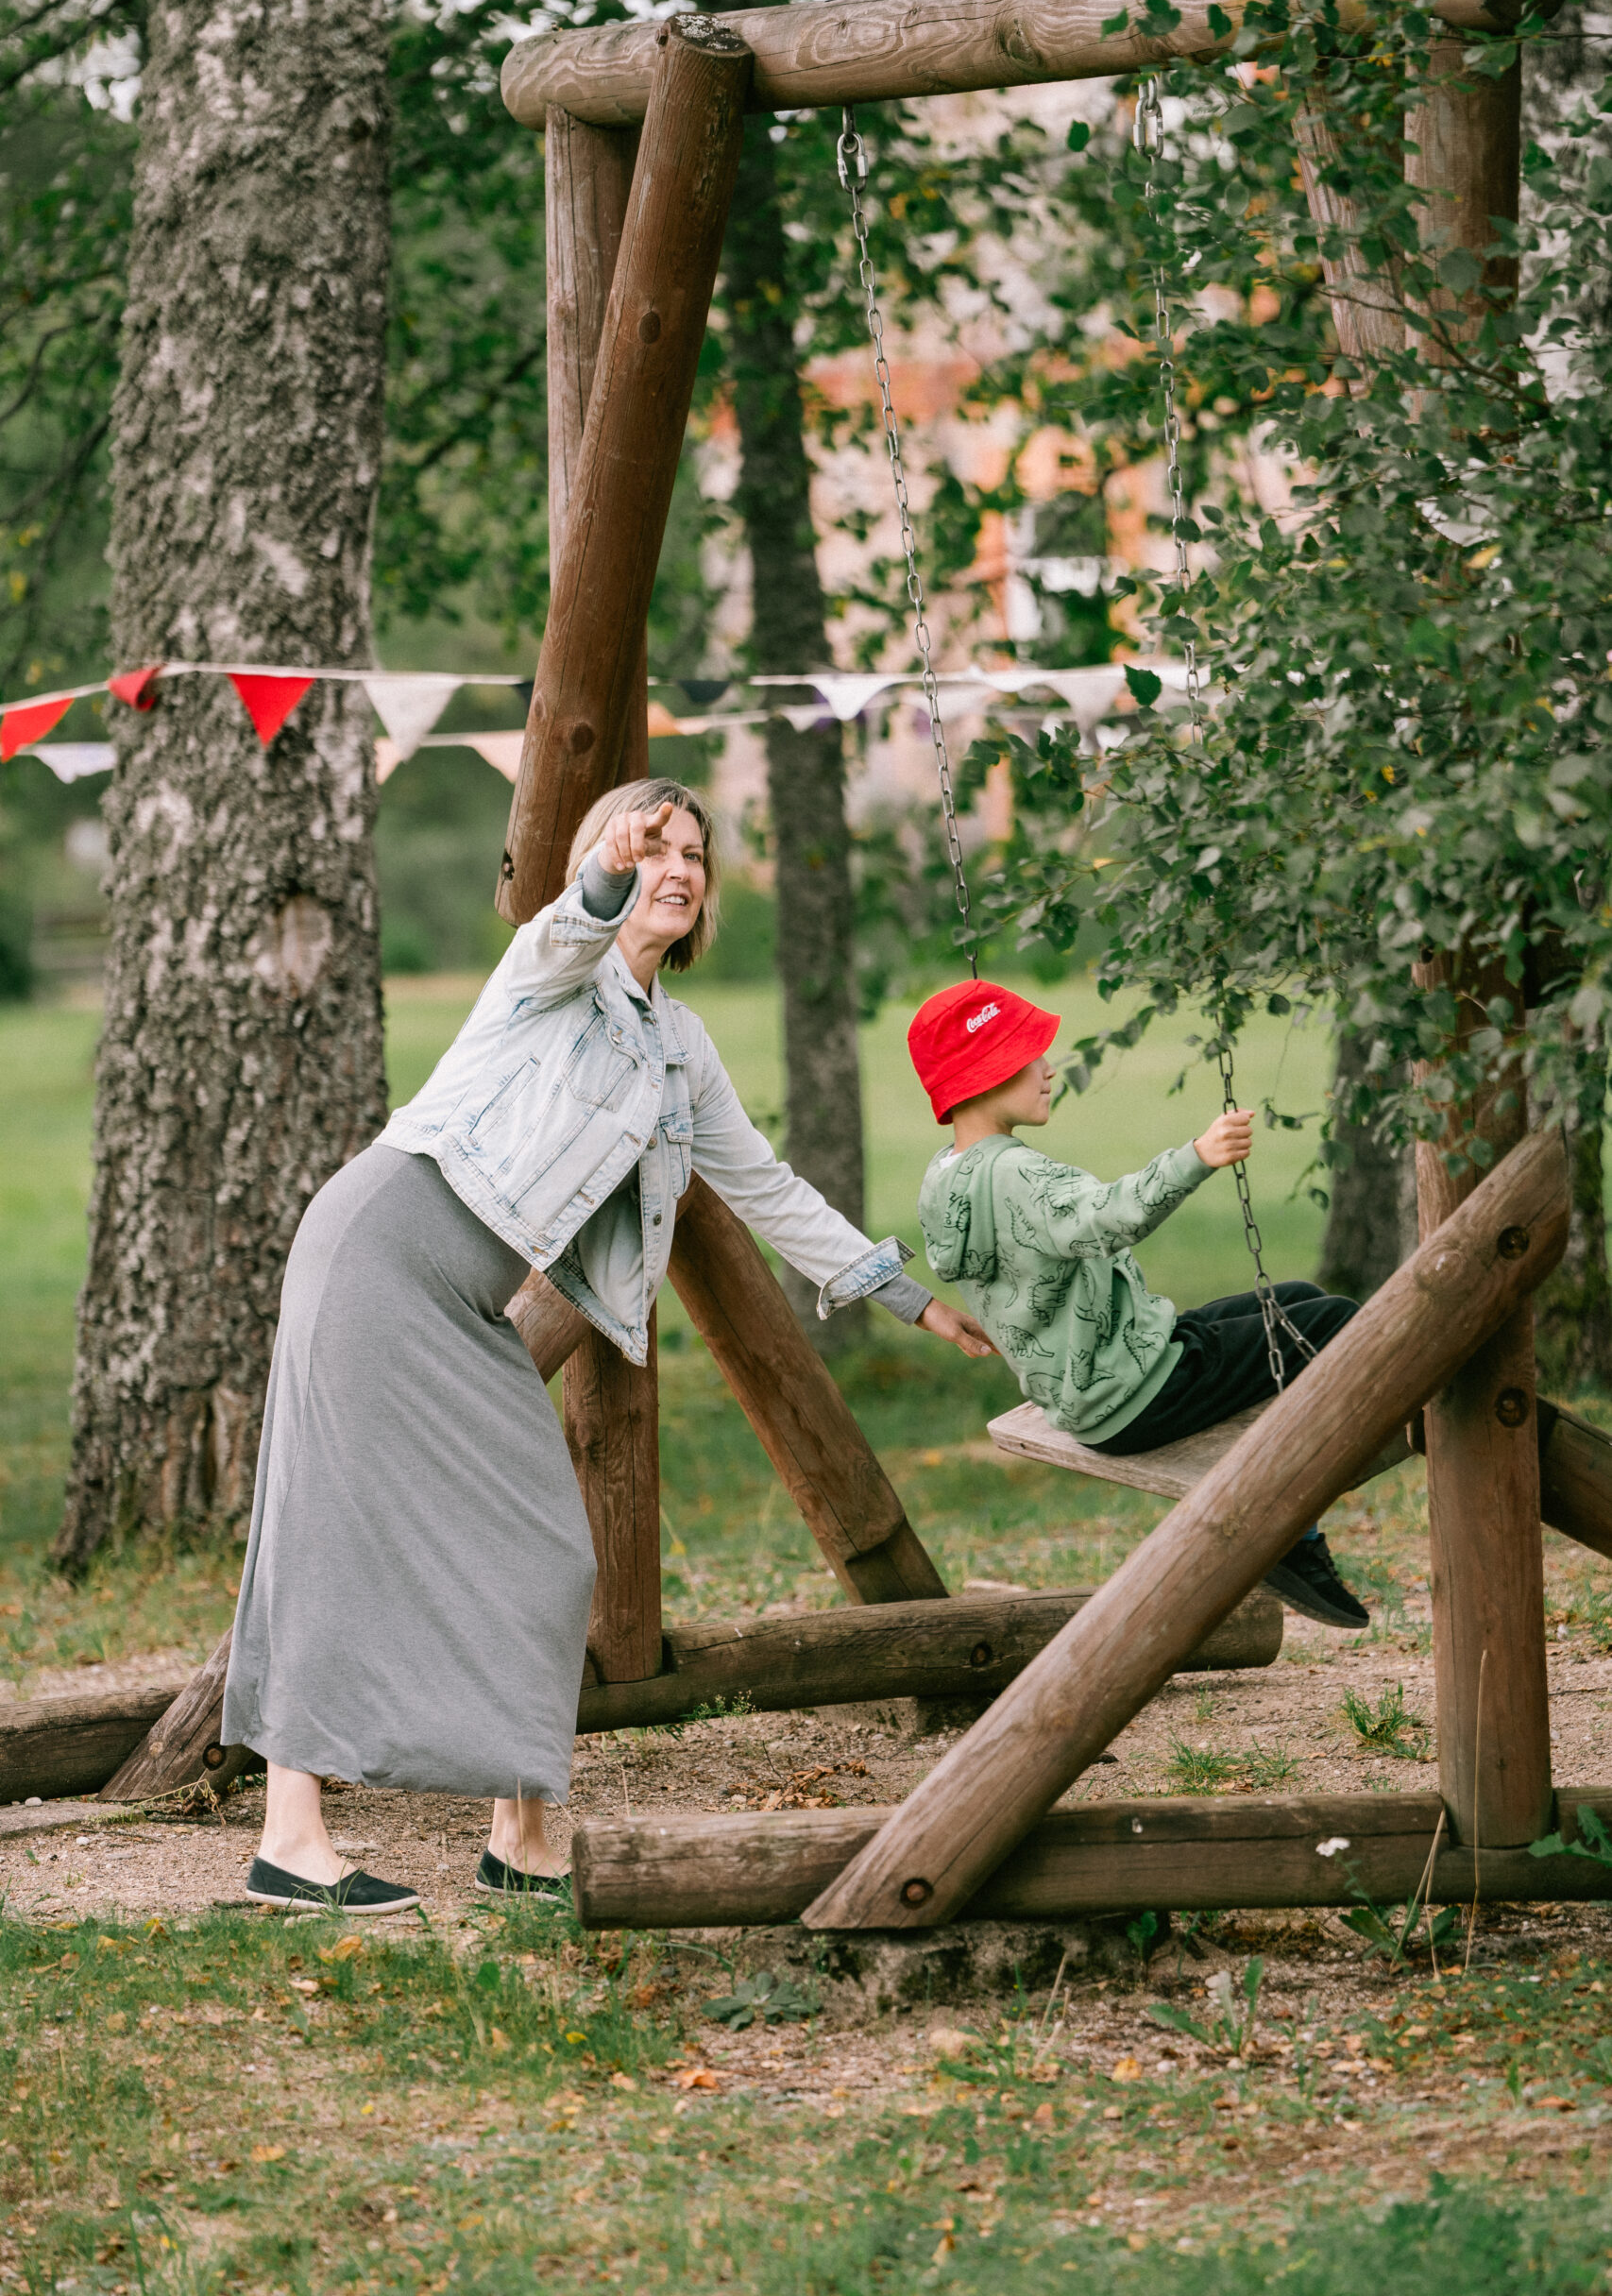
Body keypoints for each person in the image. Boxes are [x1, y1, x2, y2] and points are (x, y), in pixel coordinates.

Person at [221, 780, 993, 1915]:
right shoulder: (551, 972)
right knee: (336, 1524)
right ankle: (293, 1837)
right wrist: (602, 872)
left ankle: (520, 1836)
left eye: (696, 854)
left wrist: (908, 1299)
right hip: (380, 1249)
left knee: (546, 1556)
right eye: (656, 847)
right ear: (612, 859)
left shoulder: (680, 1048)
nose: (678, 868)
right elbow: (562, 927)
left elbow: (765, 1186)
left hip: (459, 1298)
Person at [907, 979, 1369, 1630]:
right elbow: (1110, 1215)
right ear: (986, 1074)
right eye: (1030, 1056)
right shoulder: (1018, 1175)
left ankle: (1292, 1525)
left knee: (1298, 1302)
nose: (1049, 1069)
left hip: (1096, 1379)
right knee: (1338, 1323)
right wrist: (1197, 1157)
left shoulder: (945, 1175)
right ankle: (1288, 1534)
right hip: (1139, 1394)